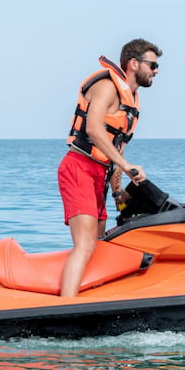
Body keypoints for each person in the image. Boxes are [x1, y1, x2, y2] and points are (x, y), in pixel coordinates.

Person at [57, 38, 162, 297]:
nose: (156, 71)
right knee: (85, 245)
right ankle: (65, 307)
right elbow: (93, 129)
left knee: (101, 244)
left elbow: (116, 149)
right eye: (153, 65)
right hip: (79, 168)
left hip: (99, 176)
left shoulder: (131, 102)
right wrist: (126, 166)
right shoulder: (107, 87)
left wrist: (118, 196)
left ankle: (92, 298)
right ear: (134, 63)